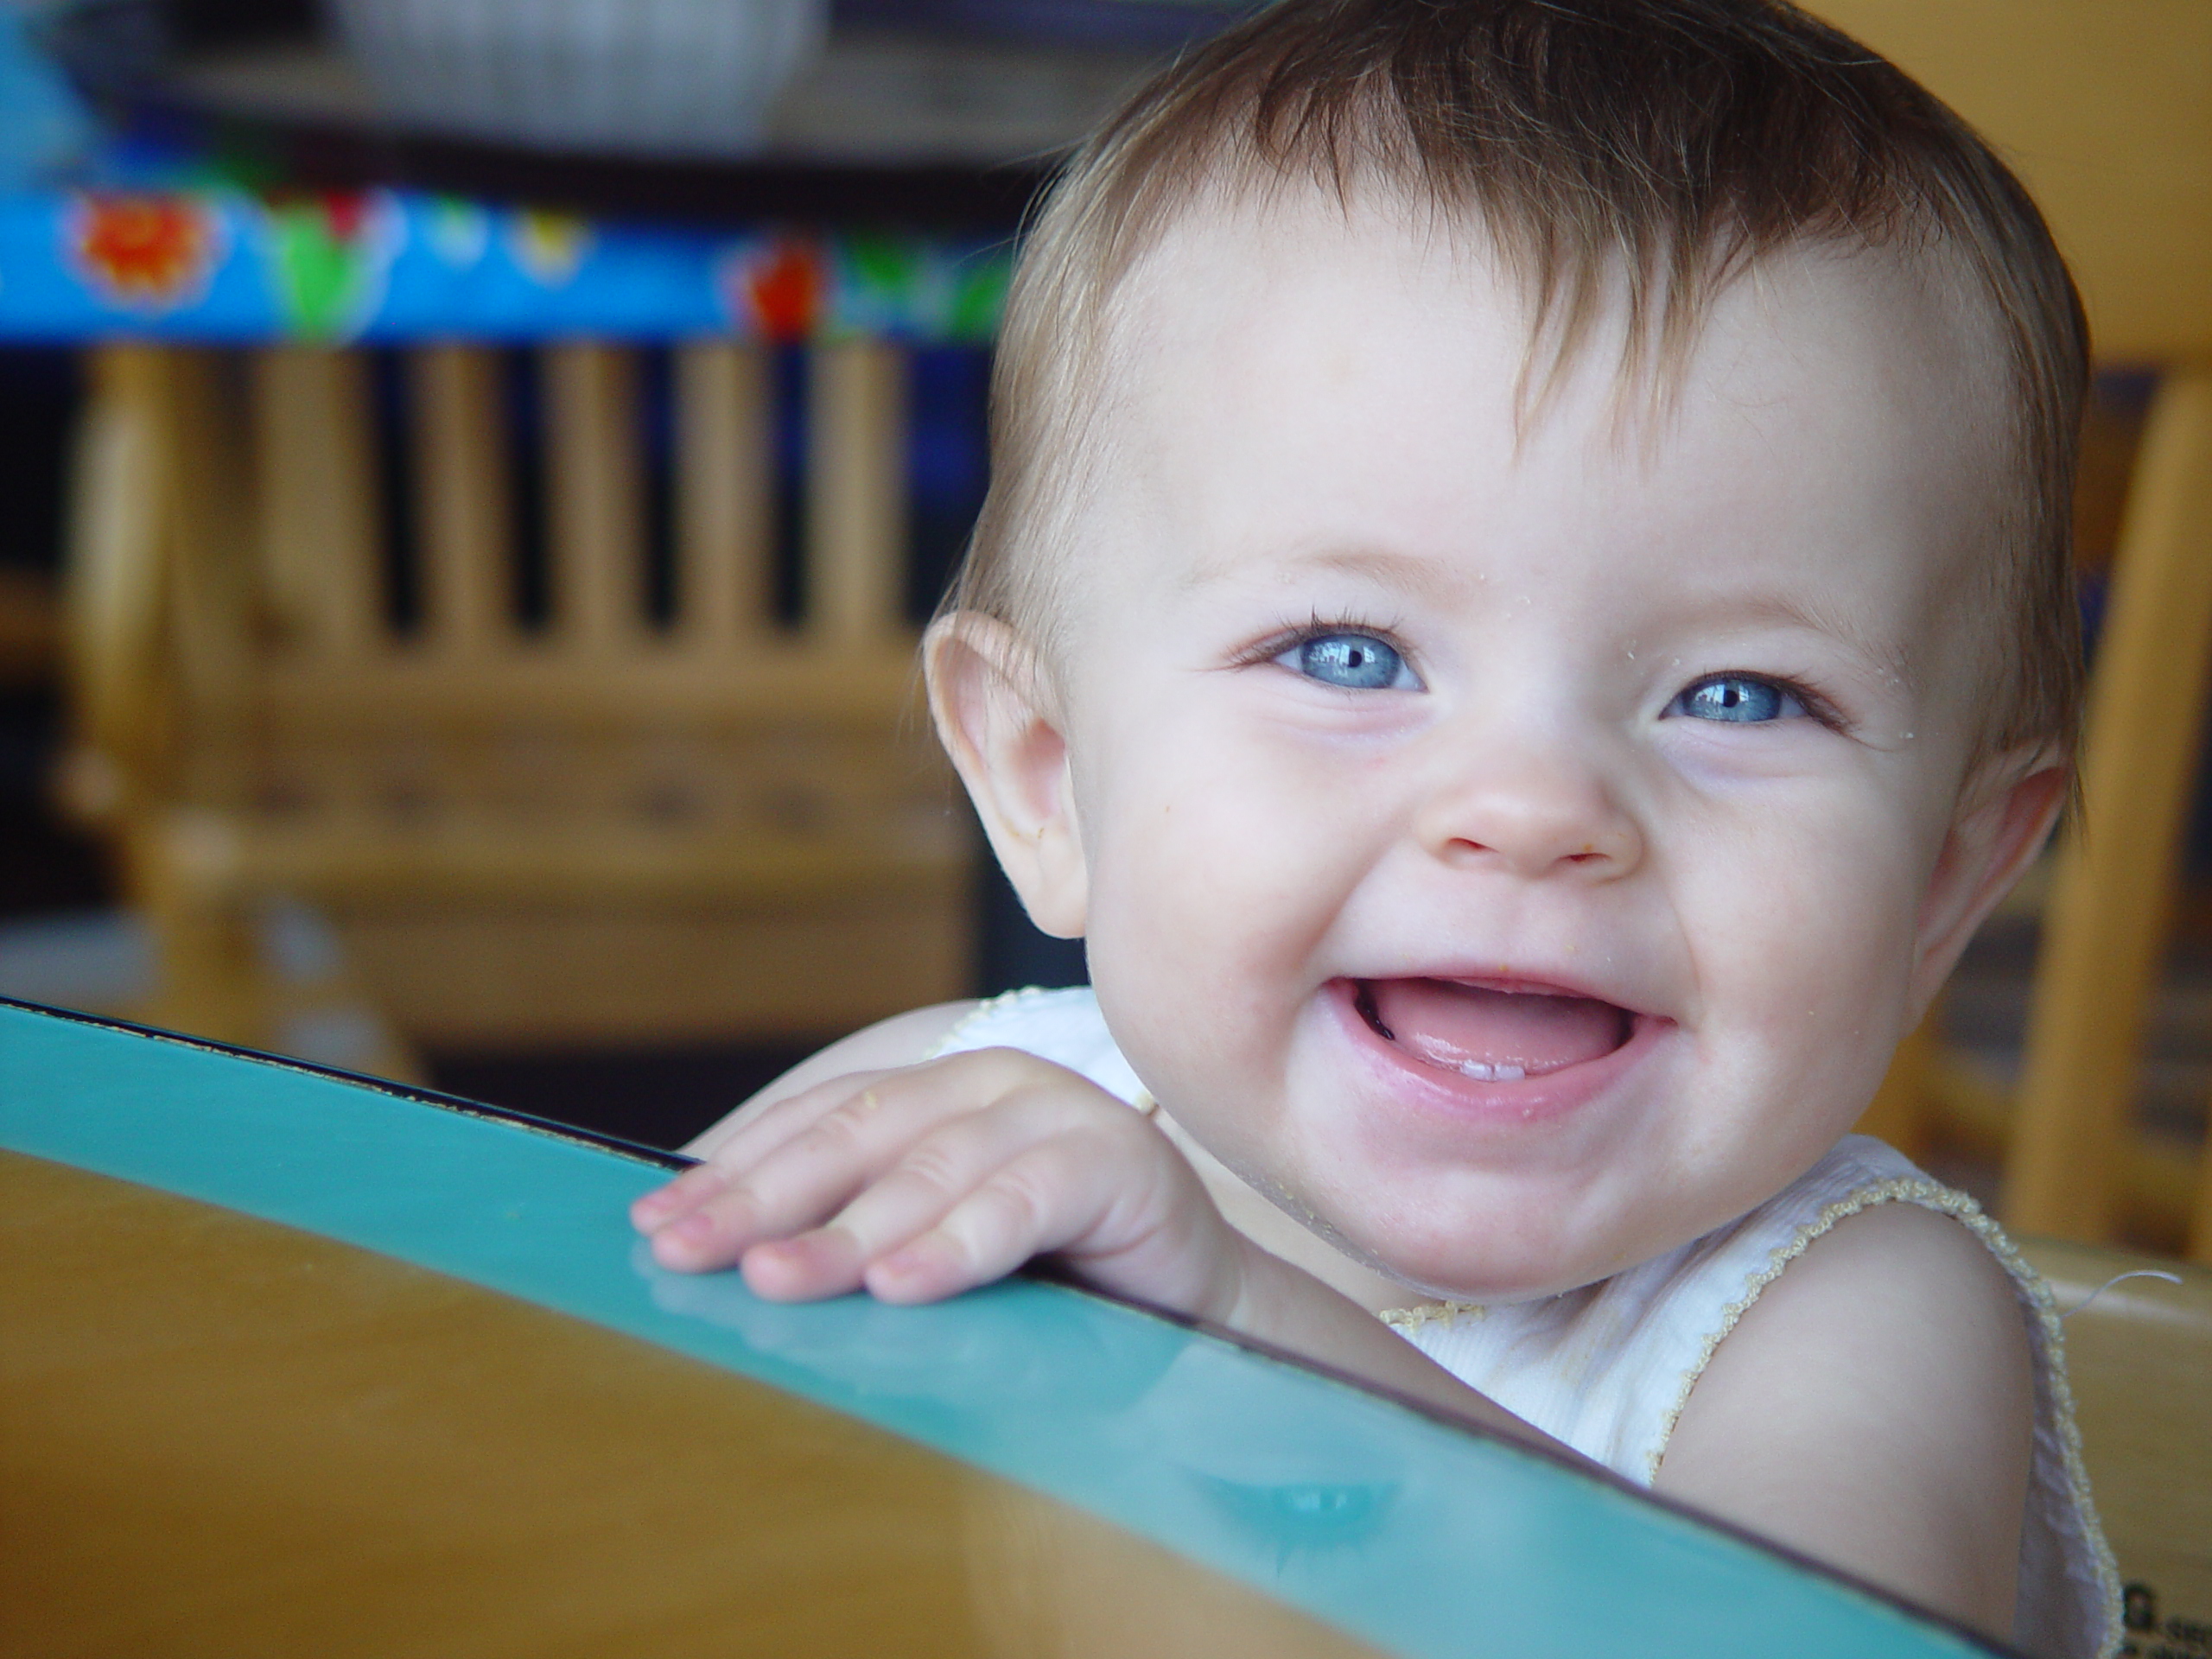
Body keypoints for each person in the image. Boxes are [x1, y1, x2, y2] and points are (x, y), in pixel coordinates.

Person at [633, 2, 2118, 1651]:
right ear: (1047, 776)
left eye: (1742, 697)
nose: (1533, 811)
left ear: (1943, 881)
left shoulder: (1849, 1320)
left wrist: (1240, 1331)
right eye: (1351, 657)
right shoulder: (936, 1125)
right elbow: (565, 1463)